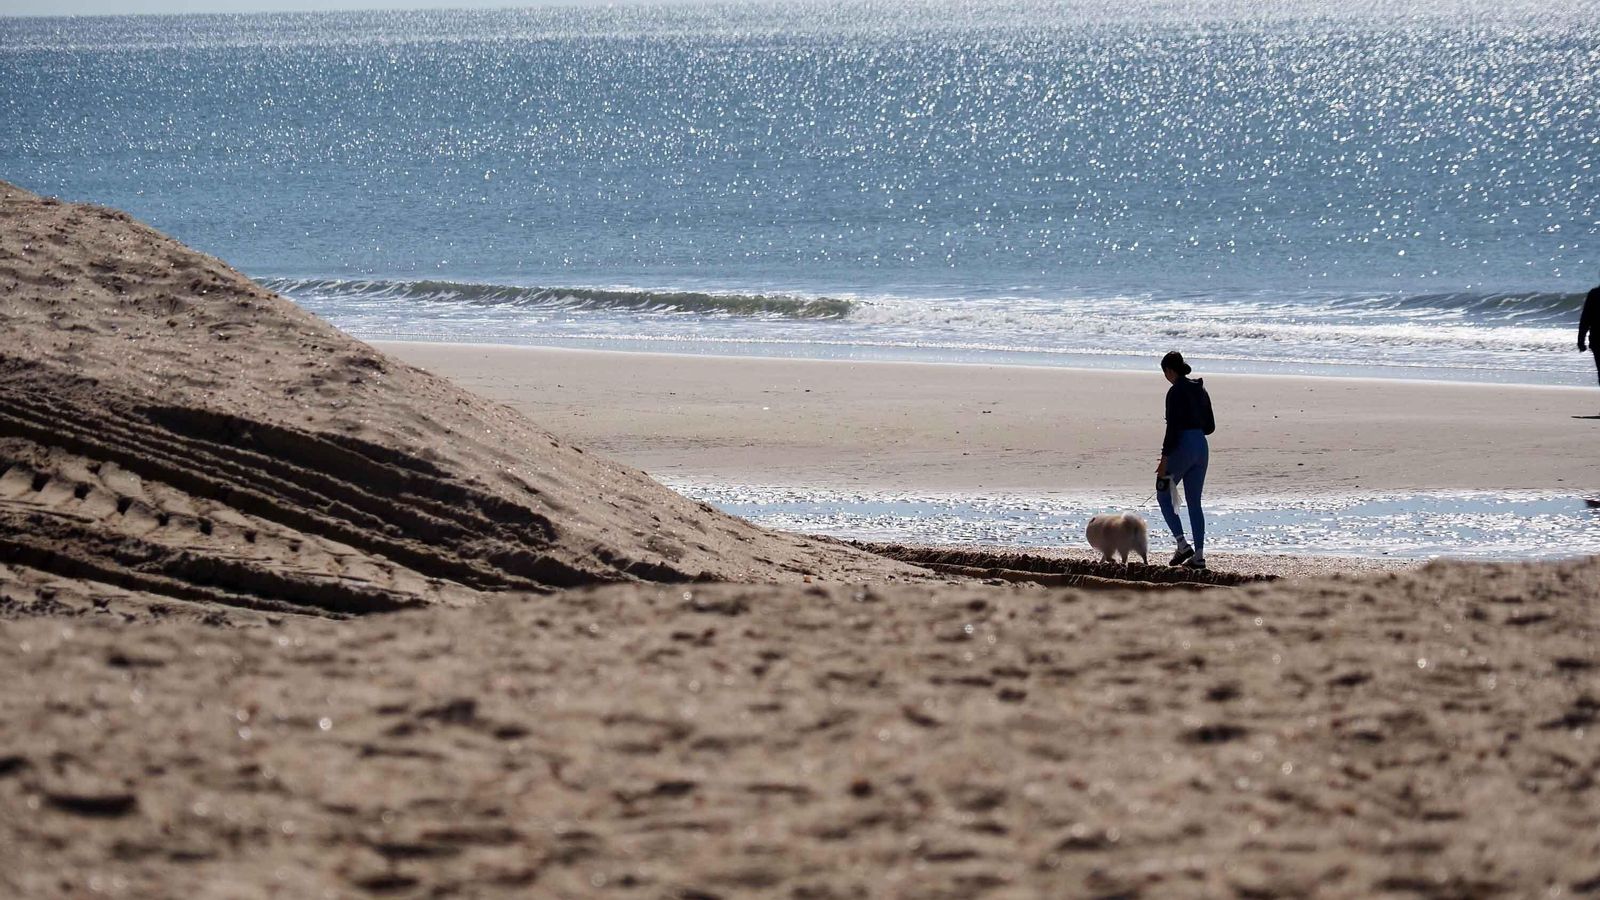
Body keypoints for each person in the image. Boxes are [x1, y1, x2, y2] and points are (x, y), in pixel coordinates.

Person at [1155, 351, 1214, 569]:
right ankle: (1198, 556)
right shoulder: (1200, 389)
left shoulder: (1174, 392)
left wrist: (1164, 459)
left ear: (1169, 371)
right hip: (1201, 446)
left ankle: (1181, 543)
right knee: (1194, 502)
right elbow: (1210, 427)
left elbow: (1172, 429)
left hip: (1184, 445)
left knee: (1162, 492)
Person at [1581, 281, 1600, 391]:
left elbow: (1585, 318)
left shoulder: (1594, 294)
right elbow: (1585, 318)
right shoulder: (1594, 294)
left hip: (1597, 340)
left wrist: (1581, 340)